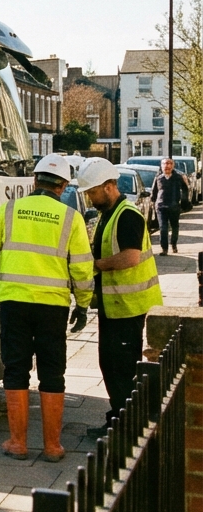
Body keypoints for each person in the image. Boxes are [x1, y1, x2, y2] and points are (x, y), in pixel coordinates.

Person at [0, 154, 93, 462]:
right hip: (53, 307)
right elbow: (82, 267)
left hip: (15, 303)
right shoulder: (71, 218)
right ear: (64, 186)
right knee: (53, 372)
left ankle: (18, 442)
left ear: (35, 181)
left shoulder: (9, 211)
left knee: (16, 369)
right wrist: (83, 305)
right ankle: (52, 446)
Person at [78, 158, 164, 438]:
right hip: (115, 305)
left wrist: (96, 265)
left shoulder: (127, 215)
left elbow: (130, 257)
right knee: (111, 365)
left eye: (92, 192)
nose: (90, 198)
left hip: (129, 307)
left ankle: (125, 425)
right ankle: (118, 419)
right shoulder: (108, 214)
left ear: (109, 186)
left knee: (122, 367)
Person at [151, 157, 188, 254]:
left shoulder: (178, 177)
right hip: (161, 206)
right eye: (164, 164)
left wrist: (184, 200)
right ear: (161, 166)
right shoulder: (159, 178)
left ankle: (174, 244)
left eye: (169, 164)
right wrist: (154, 202)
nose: (166, 166)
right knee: (163, 228)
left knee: (175, 227)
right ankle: (164, 249)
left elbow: (185, 189)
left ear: (173, 166)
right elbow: (154, 192)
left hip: (174, 206)